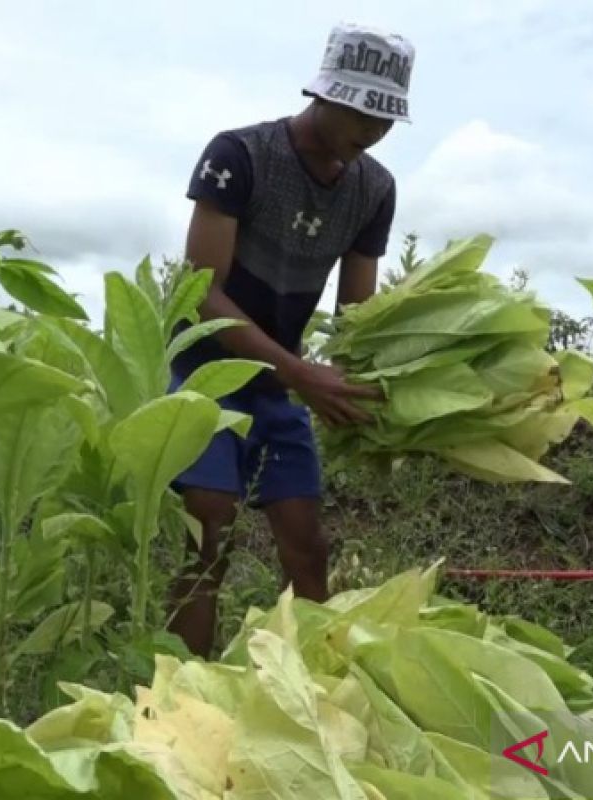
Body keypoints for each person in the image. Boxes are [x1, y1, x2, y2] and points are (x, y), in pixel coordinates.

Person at [166, 22, 414, 658]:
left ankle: (311, 692)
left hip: (279, 385)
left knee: (306, 545)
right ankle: (178, 697)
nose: (373, 130)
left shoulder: (374, 189)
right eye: (362, 112)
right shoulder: (240, 156)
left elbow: (358, 312)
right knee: (208, 525)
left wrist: (392, 396)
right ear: (325, 94)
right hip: (208, 371)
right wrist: (301, 373)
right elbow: (200, 293)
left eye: (386, 119)